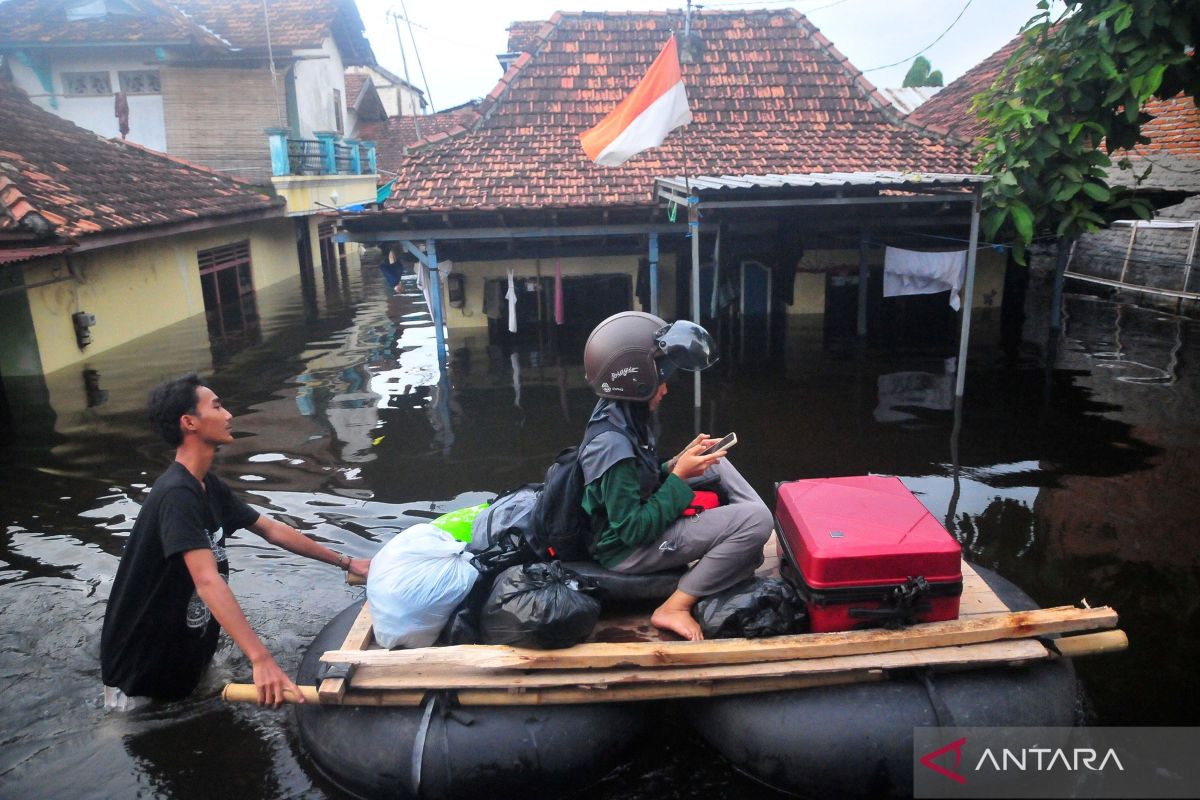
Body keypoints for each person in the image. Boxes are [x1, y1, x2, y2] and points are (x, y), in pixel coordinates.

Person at [100, 374, 370, 709]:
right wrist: (260, 659)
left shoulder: (205, 485)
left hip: (183, 657)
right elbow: (207, 580)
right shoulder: (176, 495)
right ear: (189, 422)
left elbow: (270, 529)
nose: (228, 414)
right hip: (140, 675)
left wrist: (346, 563)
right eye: (216, 406)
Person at [580, 312, 773, 641]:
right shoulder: (612, 447)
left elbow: (641, 480)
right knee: (757, 520)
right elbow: (631, 530)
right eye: (661, 380)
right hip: (625, 553)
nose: (666, 388)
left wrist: (677, 464)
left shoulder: (623, 415)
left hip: (638, 528)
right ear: (636, 381)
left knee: (715, 463)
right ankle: (674, 607)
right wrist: (679, 478)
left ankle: (747, 536)